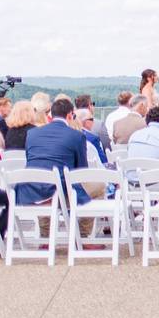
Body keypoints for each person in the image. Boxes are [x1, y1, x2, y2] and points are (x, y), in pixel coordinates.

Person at [18, 98, 103, 241]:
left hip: (31, 191)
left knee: (43, 182)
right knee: (99, 187)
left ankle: (46, 237)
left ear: (51, 114)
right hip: (61, 192)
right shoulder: (76, 136)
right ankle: (82, 236)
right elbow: (81, 171)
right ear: (70, 115)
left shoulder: (32, 134)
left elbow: (31, 162)